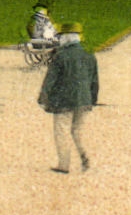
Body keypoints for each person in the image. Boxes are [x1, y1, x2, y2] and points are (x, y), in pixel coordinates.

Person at [38, 23, 98, 174]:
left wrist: (43, 98)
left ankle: (64, 165)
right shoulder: (89, 53)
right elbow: (94, 80)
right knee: (78, 131)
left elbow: (50, 79)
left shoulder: (60, 55)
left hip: (63, 100)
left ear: (65, 38)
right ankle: (86, 158)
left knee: (62, 131)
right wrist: (92, 99)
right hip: (84, 100)